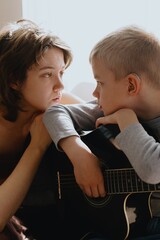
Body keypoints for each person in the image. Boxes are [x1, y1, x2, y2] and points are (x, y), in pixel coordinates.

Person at [43, 26, 160, 239]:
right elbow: (54, 114)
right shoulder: (105, 109)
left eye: (100, 83)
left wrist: (127, 120)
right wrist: (79, 154)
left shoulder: (123, 114)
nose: (94, 93)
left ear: (131, 86)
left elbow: (153, 170)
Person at [0, 19, 83, 240]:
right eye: (47, 74)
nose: (60, 85)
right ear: (14, 79)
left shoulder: (54, 102)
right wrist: (37, 146)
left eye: (62, 73)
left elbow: (100, 112)